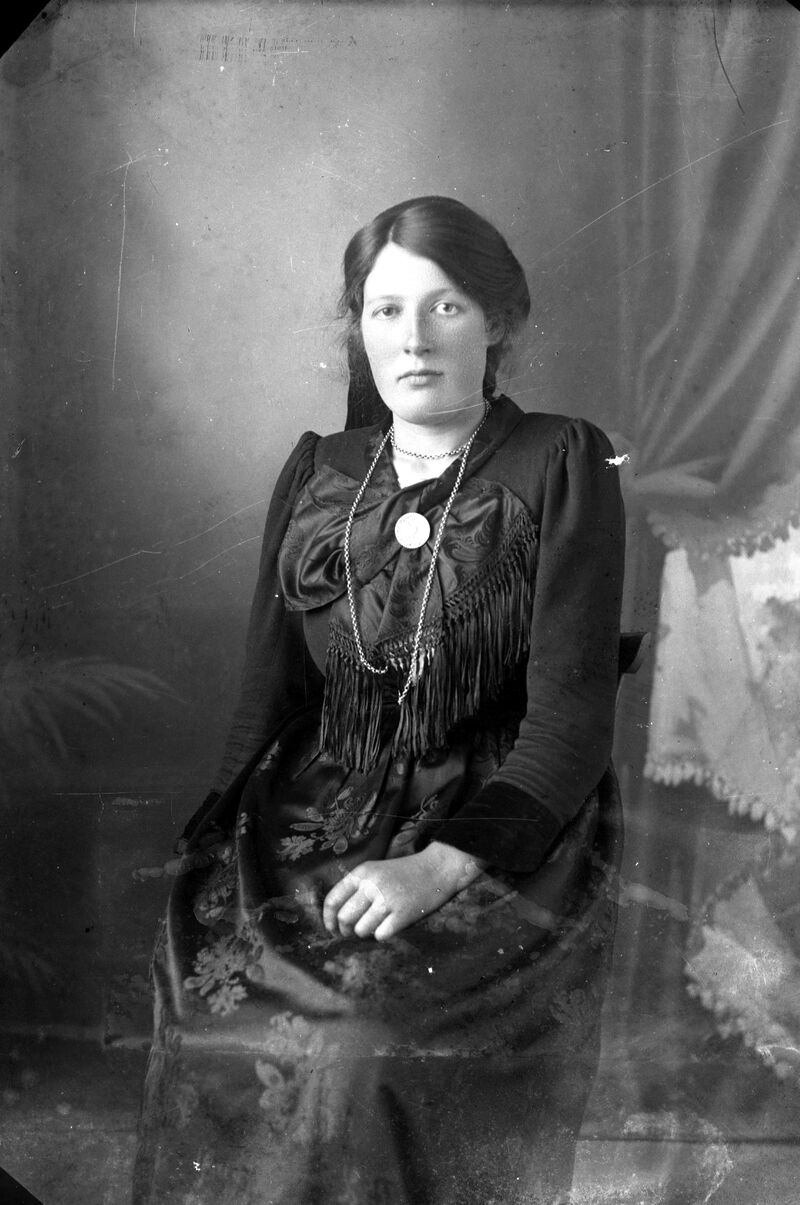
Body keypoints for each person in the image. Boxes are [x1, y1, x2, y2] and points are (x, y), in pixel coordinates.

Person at [132, 196, 626, 1205]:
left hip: (494, 823)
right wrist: (210, 835)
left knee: (358, 1048)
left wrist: (434, 868)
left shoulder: (561, 460)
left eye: (446, 307)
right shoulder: (320, 468)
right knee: (200, 1001)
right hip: (312, 808)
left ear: (499, 321)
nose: (413, 338)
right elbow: (267, 683)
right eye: (385, 309)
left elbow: (571, 720)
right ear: (357, 326)